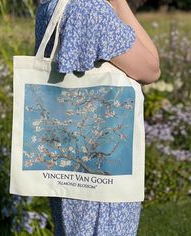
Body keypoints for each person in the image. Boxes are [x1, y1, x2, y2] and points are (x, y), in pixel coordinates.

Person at [34, 0, 160, 235]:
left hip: (67, 156)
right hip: (104, 163)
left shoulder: (50, 5)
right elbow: (151, 69)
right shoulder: (92, 10)